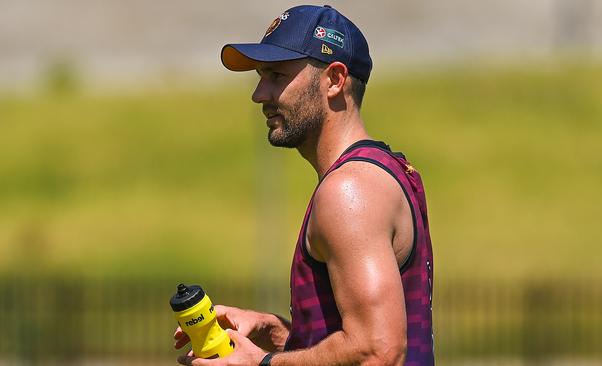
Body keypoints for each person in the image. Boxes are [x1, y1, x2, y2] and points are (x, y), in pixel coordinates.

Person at [174, 5, 434, 366]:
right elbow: (356, 341)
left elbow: (379, 351)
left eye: (277, 76)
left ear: (335, 79)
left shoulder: (349, 192)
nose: (259, 94)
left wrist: (261, 364)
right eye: (261, 77)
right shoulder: (382, 170)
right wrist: (279, 333)